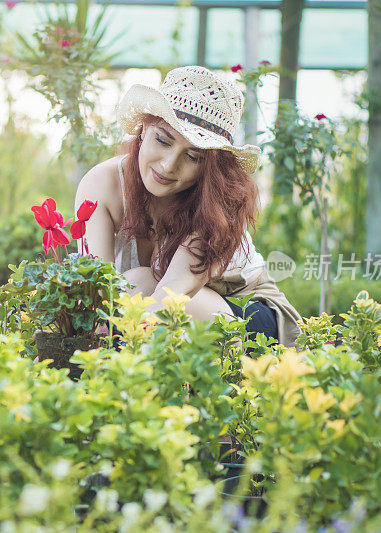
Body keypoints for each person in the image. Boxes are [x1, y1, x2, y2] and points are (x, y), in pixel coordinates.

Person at [74, 65, 301, 347]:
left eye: (193, 156)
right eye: (163, 140)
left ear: (210, 166)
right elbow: (95, 295)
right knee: (131, 288)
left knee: (141, 288)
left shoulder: (218, 204)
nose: (169, 166)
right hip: (160, 313)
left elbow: (170, 296)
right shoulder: (102, 184)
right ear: (144, 128)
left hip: (247, 315)